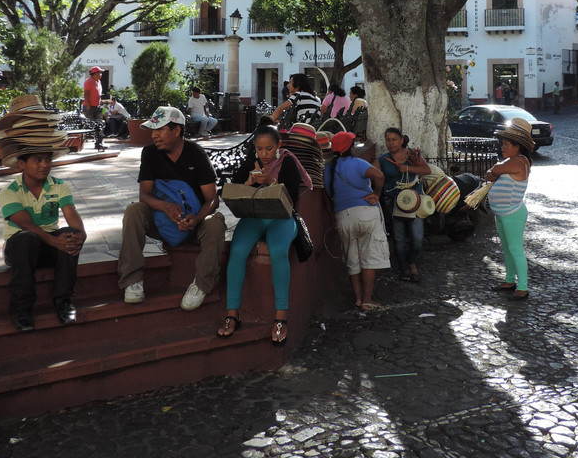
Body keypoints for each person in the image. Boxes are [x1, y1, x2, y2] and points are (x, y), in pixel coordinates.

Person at [118, 106, 226, 310]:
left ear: (177, 130)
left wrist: (196, 219)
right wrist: (164, 206)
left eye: (159, 129)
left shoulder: (196, 154)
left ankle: (202, 284)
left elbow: (212, 200)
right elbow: (145, 195)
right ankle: (132, 280)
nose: (154, 135)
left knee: (216, 223)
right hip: (162, 220)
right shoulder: (150, 153)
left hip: (193, 223)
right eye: (153, 130)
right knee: (134, 211)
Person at [217, 124, 313, 346]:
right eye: (260, 149)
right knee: (238, 250)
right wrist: (250, 182)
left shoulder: (287, 161)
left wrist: (271, 182)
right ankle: (233, 314)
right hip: (254, 217)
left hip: (282, 218)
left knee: (278, 251)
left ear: (278, 146)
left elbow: (292, 197)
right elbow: (233, 188)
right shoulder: (251, 162)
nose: (264, 154)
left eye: (269, 149)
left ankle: (281, 316)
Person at [0, 152, 86, 331]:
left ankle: (64, 301)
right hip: (20, 247)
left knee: (70, 234)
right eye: (37, 160)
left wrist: (80, 234)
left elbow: (70, 212)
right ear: (22, 164)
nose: (44, 165)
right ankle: (21, 308)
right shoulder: (9, 192)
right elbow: (27, 225)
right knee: (27, 238)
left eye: (48, 159)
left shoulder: (59, 186)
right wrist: (54, 242)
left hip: (46, 247)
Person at [324, 132, 387, 310]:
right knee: (369, 258)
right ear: (351, 148)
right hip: (367, 213)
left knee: (353, 260)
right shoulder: (358, 163)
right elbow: (379, 176)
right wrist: (377, 194)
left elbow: (328, 194)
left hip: (343, 216)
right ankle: (367, 299)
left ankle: (358, 299)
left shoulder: (329, 168)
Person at [484, 119, 534, 300]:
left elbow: (494, 170)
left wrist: (496, 171)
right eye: (502, 144)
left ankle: (523, 287)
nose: (502, 147)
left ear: (517, 146)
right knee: (507, 249)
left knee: (515, 249)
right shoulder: (512, 161)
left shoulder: (519, 162)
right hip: (504, 213)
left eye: (506, 144)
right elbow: (491, 174)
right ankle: (509, 280)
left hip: (513, 213)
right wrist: (494, 173)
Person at [377, 127, 432, 282]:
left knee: (417, 237)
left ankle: (411, 260)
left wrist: (407, 168)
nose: (390, 143)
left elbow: (426, 170)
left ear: (402, 140)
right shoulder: (382, 160)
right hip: (393, 203)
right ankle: (405, 269)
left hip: (415, 202)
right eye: (388, 140)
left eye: (394, 139)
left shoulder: (411, 155)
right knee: (399, 238)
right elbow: (373, 175)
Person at [82, 66, 106, 152]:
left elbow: (98, 94)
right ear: (95, 74)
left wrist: (101, 102)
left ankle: (99, 144)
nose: (101, 74)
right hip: (90, 107)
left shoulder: (99, 82)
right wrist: (88, 106)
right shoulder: (88, 82)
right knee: (90, 125)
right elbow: (86, 94)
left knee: (99, 125)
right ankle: (83, 142)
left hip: (98, 106)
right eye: (99, 73)